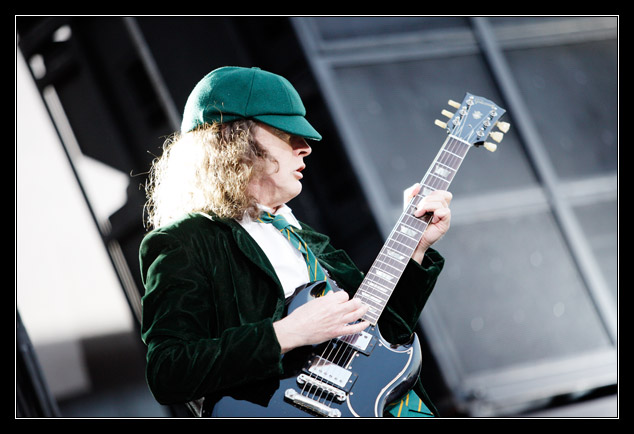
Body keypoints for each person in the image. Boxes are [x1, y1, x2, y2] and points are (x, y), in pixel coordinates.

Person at [139, 66, 452, 417]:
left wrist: (416, 248)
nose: (305, 148)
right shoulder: (185, 241)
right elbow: (168, 371)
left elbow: (385, 333)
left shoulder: (304, 237)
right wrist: (287, 333)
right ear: (232, 141)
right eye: (287, 134)